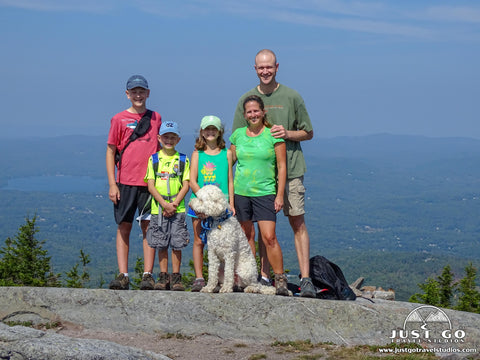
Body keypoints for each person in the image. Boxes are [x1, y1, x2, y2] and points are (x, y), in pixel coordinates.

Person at [232, 49, 316, 298]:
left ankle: (306, 278)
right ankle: (263, 276)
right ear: (255, 69)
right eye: (261, 68)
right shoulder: (245, 100)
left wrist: (287, 134)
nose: (265, 71)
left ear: (277, 67)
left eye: (269, 67)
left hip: (290, 169)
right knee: (262, 228)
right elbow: (238, 142)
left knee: (297, 222)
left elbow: (308, 132)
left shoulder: (292, 96)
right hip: (258, 178)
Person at [229, 95, 289, 296]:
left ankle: (279, 278)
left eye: (256, 111)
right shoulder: (237, 135)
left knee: (269, 237)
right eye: (249, 112)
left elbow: (282, 166)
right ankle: (249, 277)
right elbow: (229, 162)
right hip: (241, 192)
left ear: (263, 112)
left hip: (265, 191)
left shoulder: (273, 134)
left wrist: (279, 195)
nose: (253, 114)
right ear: (244, 115)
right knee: (247, 236)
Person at [106, 75, 161, 290]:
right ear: (127, 94)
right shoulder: (118, 119)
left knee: (149, 226)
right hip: (125, 181)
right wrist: (112, 184)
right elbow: (111, 151)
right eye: (134, 91)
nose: (138, 95)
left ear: (148, 93)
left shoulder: (156, 117)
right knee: (124, 226)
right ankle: (123, 274)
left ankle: (148, 274)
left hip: (149, 183)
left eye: (142, 91)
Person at [188, 115, 234, 292]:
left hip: (221, 206)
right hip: (199, 205)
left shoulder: (227, 153)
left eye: (214, 129)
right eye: (207, 129)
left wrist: (231, 203)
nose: (210, 132)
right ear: (201, 132)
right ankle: (199, 278)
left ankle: (220, 279)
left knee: (221, 243)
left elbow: (230, 180)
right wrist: (204, 201)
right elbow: (193, 180)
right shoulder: (197, 154)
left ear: (220, 131)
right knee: (199, 240)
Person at [144, 121, 190, 291]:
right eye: (165, 137)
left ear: (178, 139)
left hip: (177, 209)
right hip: (159, 208)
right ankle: (163, 277)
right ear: (159, 138)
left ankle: (176, 277)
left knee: (177, 243)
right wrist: (164, 204)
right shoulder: (154, 159)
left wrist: (175, 203)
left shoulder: (183, 159)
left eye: (172, 137)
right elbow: (150, 184)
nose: (169, 140)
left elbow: (186, 184)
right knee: (161, 243)